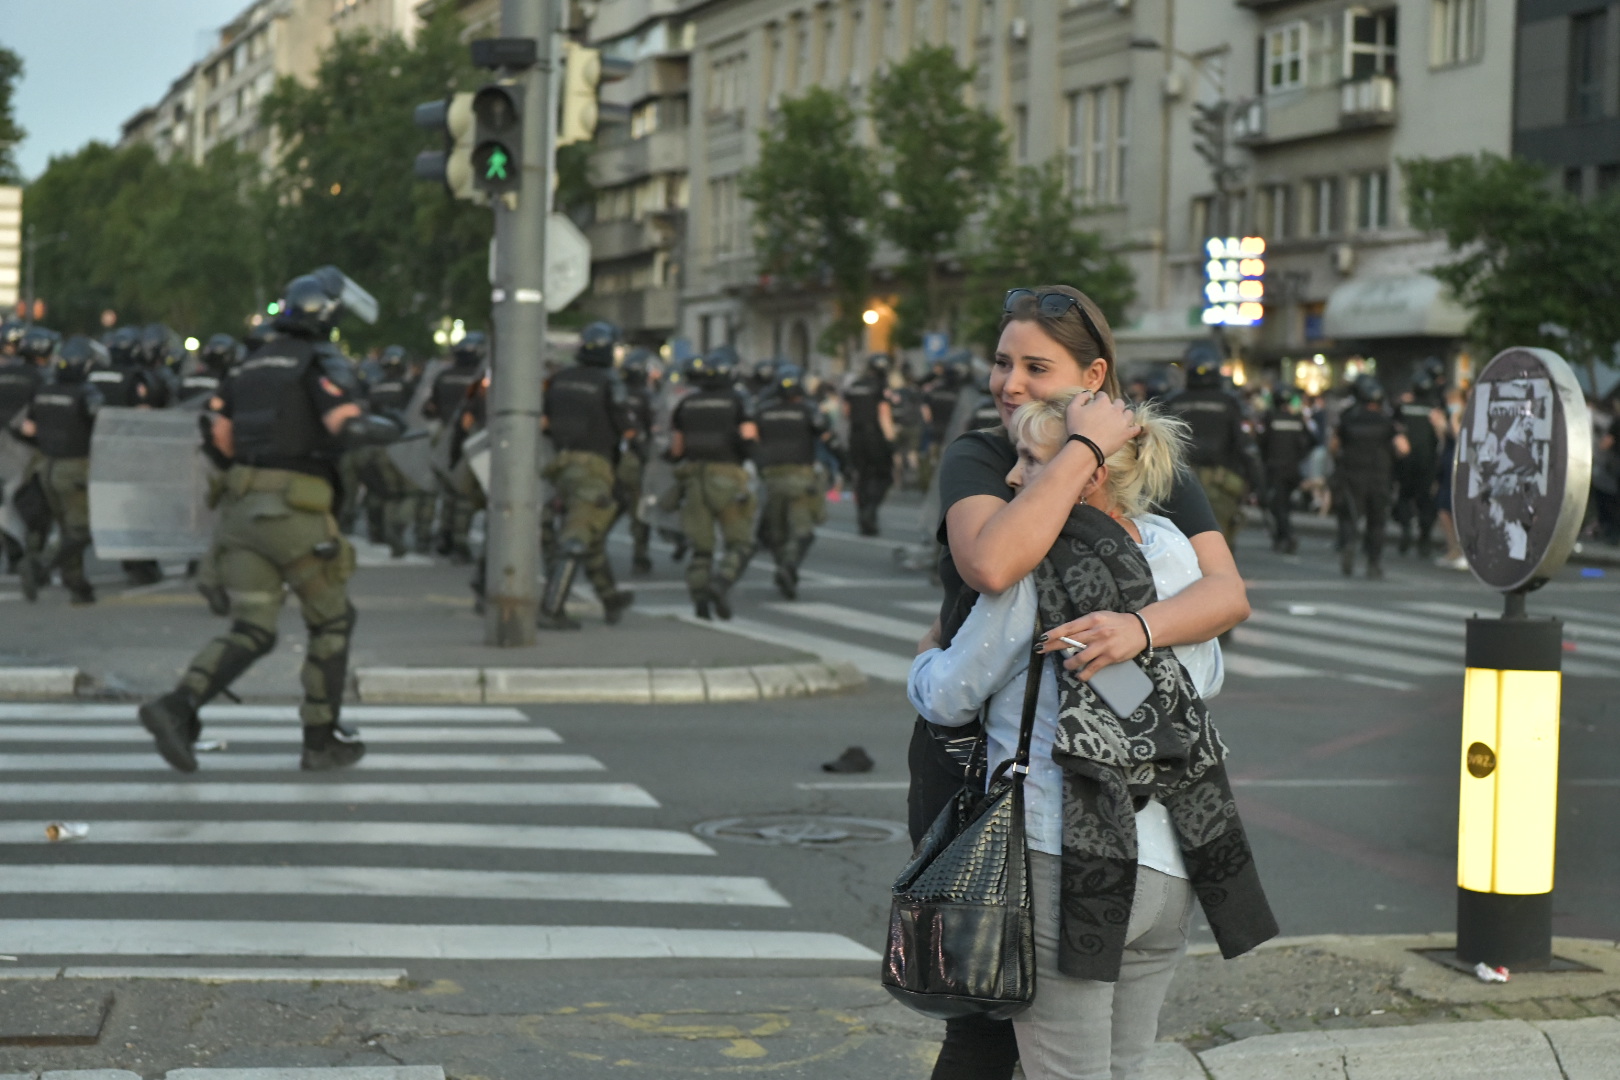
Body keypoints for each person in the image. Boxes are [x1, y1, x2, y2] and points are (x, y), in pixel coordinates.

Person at [913, 285, 1250, 1080]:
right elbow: (1197, 672)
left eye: (1035, 367)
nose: (1010, 383)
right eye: (1002, 362)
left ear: (1093, 378)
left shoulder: (1052, 531)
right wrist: (1136, 646)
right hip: (1165, 849)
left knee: (1010, 1048)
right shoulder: (1158, 540)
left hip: (1049, 838)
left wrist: (1135, 629)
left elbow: (967, 650)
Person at [136, 269, 400, 774]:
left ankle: (177, 706)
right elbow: (344, 424)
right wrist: (387, 429)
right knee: (331, 621)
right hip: (294, 512)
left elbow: (220, 437)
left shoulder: (249, 365)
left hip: (241, 513)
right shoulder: (318, 360)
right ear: (328, 315)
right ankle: (320, 740)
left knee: (253, 628)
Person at [538, 320, 637, 630]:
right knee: (577, 537)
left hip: (559, 464)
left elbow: (543, 421)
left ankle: (610, 597)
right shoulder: (610, 381)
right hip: (594, 465)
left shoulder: (559, 378)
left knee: (590, 533)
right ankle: (552, 608)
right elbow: (627, 428)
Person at [11, 334, 106, 605]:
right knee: (80, 530)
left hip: (46, 467)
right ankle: (39, 566)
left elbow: (25, 428)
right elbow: (101, 426)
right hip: (75, 468)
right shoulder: (87, 393)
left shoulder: (44, 391)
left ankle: (76, 584)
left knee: (66, 529)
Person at [670, 345, 756, 620]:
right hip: (727, 476)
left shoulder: (686, 403)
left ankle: (700, 602)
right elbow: (749, 439)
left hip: (694, 478)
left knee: (701, 548)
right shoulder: (739, 401)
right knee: (739, 542)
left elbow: (676, 450)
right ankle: (722, 583)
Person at [1164, 348, 1252, 549]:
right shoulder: (1230, 403)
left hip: (1177, 484)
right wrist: (1256, 485)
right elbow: (1245, 447)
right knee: (1220, 544)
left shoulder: (1173, 401)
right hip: (1220, 486)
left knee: (1178, 545)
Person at [754, 363, 828, 600]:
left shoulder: (762, 411)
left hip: (771, 477)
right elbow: (825, 432)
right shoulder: (808, 411)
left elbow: (749, 438)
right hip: (800, 475)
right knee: (803, 531)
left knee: (776, 530)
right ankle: (789, 565)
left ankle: (782, 567)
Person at [1332, 375, 1408, 579]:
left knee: (1350, 516)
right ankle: (1373, 563)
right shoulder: (1386, 421)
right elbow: (1403, 448)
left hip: (1353, 474)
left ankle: (1348, 543)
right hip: (1379, 477)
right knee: (1377, 521)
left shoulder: (1348, 418)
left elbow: (1334, 446)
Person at [423, 332, 488, 563]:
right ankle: (460, 542)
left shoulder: (444, 376)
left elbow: (429, 407)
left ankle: (444, 535)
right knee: (465, 494)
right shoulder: (482, 379)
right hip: (473, 437)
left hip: (444, 437)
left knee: (448, 491)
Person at [1393, 361, 1446, 557]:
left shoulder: (1403, 407)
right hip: (1427, 461)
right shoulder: (1434, 409)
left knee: (1404, 497)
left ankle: (1405, 529)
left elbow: (1395, 429)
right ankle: (1424, 539)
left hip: (1406, 461)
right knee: (1426, 500)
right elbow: (1441, 434)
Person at [1256, 390, 1317, 553]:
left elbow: (1260, 441)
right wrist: (1299, 456)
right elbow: (1312, 439)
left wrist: (1265, 458)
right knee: (1283, 504)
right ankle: (1282, 536)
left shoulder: (1269, 418)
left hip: (1275, 468)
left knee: (1278, 504)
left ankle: (1287, 535)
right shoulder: (1296, 419)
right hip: (1293, 468)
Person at [843, 354, 897, 535]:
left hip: (855, 435)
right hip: (875, 436)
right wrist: (891, 440)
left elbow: (846, 412)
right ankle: (870, 510)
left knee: (862, 477)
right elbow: (884, 413)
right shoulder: (881, 387)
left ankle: (862, 514)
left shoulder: (854, 386)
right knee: (884, 476)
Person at [617, 348, 657, 575]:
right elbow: (654, 428)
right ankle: (640, 554)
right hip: (636, 459)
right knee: (639, 509)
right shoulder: (646, 396)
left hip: (611, 457)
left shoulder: (616, 392)